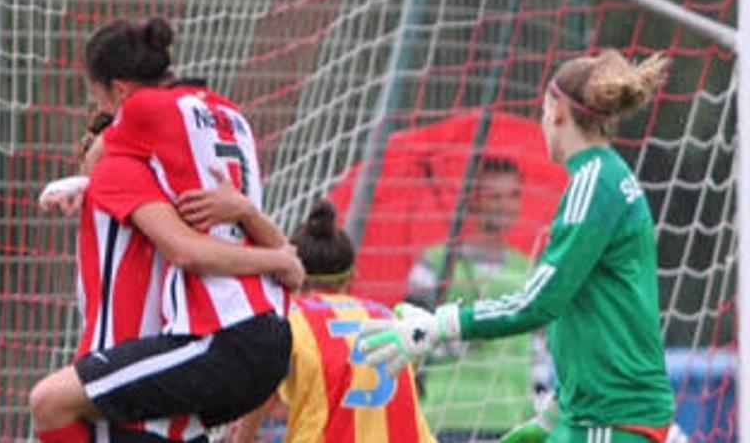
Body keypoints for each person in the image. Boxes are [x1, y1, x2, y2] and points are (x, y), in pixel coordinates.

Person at [358, 49, 675, 443]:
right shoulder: (602, 178)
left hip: (608, 421)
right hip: (595, 414)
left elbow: (538, 303)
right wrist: (553, 414)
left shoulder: (594, 183)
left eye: (543, 112)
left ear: (557, 110)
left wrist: (439, 325)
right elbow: (588, 312)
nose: (543, 123)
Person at [29, 16, 303, 443]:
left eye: (98, 104)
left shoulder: (137, 126)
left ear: (119, 92)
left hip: (220, 335)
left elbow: (184, 250)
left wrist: (87, 177)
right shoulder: (230, 116)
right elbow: (285, 259)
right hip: (265, 330)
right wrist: (275, 248)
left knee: (49, 400)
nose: (100, 128)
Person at [217, 200, 437, 443]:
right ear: (352, 277)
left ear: (286, 273)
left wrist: (241, 438)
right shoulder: (387, 316)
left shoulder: (290, 319)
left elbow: (264, 392)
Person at [405, 156, 547, 441]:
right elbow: (411, 338)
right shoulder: (436, 263)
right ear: (473, 200)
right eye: (494, 196)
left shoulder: (528, 268)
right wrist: (461, 337)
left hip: (513, 419)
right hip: (448, 415)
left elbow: (537, 348)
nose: (505, 205)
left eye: (513, 195)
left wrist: (541, 405)